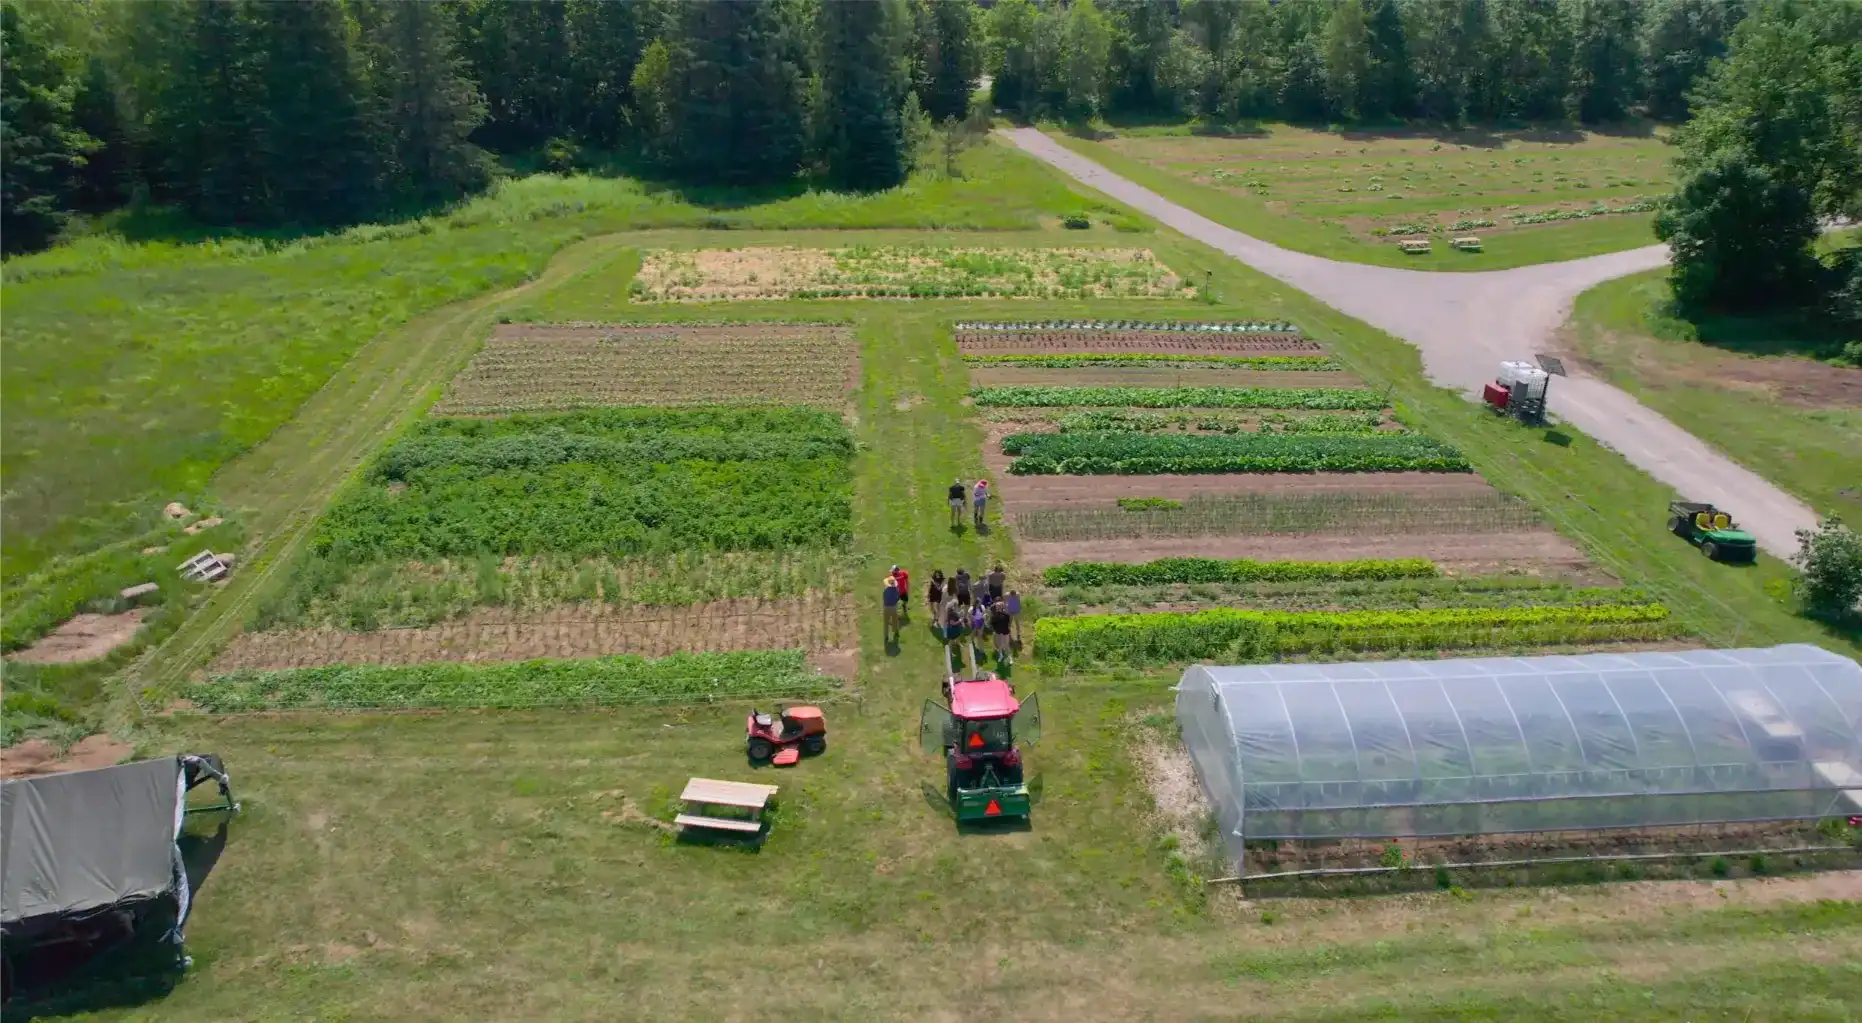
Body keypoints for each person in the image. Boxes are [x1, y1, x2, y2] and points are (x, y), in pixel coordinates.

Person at [989, 600, 1013, 666]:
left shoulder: (1006, 615)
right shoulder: (994, 616)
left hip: (1005, 631)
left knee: (1006, 646)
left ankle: (1010, 658)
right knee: (999, 645)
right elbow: (992, 624)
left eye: (999, 606)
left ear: (1002, 607)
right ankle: (1001, 656)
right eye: (997, 606)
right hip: (998, 632)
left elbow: (1008, 623)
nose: (998, 607)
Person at [882, 576, 901, 645]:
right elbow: (898, 598)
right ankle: (896, 632)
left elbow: (884, 598)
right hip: (893, 607)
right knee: (895, 620)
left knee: (886, 622)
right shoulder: (896, 590)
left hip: (886, 607)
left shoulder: (885, 590)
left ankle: (886, 636)